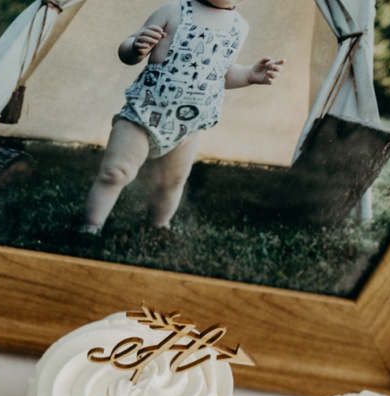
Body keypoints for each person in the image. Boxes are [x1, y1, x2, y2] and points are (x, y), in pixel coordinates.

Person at [80, 0, 284, 235]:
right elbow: (127, 49)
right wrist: (136, 47)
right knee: (116, 171)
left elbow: (221, 74)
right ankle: (91, 226)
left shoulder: (239, 26)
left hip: (187, 124)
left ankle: (158, 226)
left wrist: (249, 75)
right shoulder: (173, 11)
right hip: (145, 112)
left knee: (173, 182)